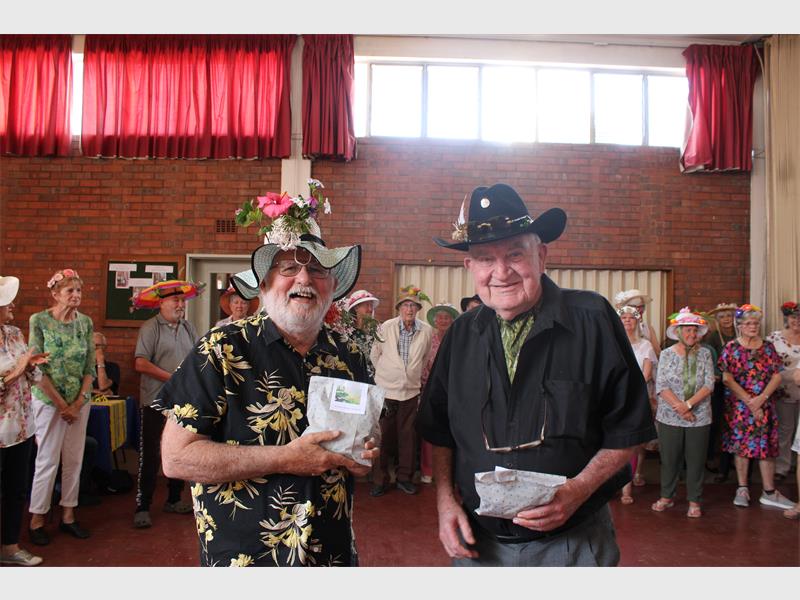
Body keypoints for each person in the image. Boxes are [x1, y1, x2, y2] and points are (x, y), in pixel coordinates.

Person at [419, 183, 655, 567]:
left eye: (515, 253)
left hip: (572, 545)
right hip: (478, 547)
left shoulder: (592, 320)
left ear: (541, 255)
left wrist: (577, 490)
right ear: (469, 267)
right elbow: (440, 431)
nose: (501, 272)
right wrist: (445, 502)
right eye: (484, 258)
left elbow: (628, 431)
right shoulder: (461, 334)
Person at [156, 210, 379, 566]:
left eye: (318, 270)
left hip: (331, 555)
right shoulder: (221, 349)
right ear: (263, 285)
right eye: (288, 268)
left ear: (333, 287)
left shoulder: (351, 355)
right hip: (246, 558)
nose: (304, 278)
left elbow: (365, 435)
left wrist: (366, 450)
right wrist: (286, 458)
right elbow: (176, 458)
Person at [28, 269, 95, 545]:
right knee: (47, 459)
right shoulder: (39, 321)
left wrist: (77, 403)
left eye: (78, 290)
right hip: (48, 401)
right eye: (70, 291)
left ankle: (69, 514)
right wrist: (61, 405)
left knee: (74, 459)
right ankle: (37, 518)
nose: (76, 295)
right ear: (55, 294)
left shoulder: (86, 323)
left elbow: (89, 366)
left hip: (79, 402)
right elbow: (35, 367)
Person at [132, 279, 203, 528]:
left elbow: (197, 359)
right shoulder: (150, 328)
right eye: (176, 300)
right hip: (154, 400)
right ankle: (142, 506)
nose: (181, 304)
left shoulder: (188, 328)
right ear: (162, 303)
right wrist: (173, 378)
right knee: (150, 455)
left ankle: (173, 499)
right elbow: (140, 363)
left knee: (180, 451)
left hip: (181, 402)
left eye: (182, 300)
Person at [719, 304, 793, 510]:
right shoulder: (731, 347)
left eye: (756, 323)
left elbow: (777, 375)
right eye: (749, 323)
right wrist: (750, 401)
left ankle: (769, 492)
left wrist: (761, 398)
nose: (753, 326)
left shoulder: (768, 347)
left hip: (764, 403)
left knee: (766, 447)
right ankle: (742, 488)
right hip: (740, 407)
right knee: (742, 447)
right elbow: (726, 378)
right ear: (740, 326)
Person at [0, 275, 48, 566]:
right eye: (7, 302)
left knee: (17, 489)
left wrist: (31, 368)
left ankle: (10, 547)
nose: (13, 305)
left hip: (21, 426)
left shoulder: (15, 333)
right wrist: (14, 374)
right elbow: (10, 376)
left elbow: (34, 378)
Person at [650, 308, 715, 518]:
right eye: (687, 330)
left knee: (696, 460)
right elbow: (661, 384)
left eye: (695, 331)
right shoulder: (667, 354)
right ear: (678, 332)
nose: (692, 335)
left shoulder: (705, 353)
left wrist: (688, 405)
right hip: (670, 415)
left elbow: (709, 384)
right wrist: (680, 407)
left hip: (699, 415)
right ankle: (666, 496)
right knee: (669, 459)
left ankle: (694, 499)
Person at [370, 285, 433, 497]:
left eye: (413, 306)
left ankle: (404, 478)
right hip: (386, 391)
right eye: (406, 305)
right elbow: (374, 355)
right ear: (399, 308)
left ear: (418, 309)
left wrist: (410, 376)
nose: (409, 309)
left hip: (410, 391)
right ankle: (380, 480)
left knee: (408, 437)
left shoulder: (426, 330)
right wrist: (387, 375)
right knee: (383, 436)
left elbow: (424, 359)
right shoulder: (385, 327)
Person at [616, 305, 657, 504]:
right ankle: (622, 485)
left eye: (631, 318)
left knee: (637, 442)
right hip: (616, 397)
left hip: (639, 396)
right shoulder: (613, 342)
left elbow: (647, 374)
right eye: (623, 318)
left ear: (637, 321)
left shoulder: (646, 345)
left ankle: (636, 473)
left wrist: (631, 392)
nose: (627, 321)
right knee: (621, 442)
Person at [419, 302, 459, 484]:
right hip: (430, 390)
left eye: (447, 318)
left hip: (453, 394)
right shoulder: (428, 339)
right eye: (440, 317)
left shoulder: (458, 340)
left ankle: (449, 473)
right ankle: (427, 470)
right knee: (430, 430)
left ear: (452, 321)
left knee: (451, 433)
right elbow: (421, 364)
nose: (443, 321)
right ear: (434, 321)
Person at [703, 302, 739, 481]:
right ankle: (711, 457)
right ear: (717, 320)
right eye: (723, 316)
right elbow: (712, 361)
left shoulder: (740, 334)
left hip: (740, 385)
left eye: (729, 316)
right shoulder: (714, 337)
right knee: (716, 422)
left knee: (736, 424)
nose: (727, 319)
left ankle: (734, 458)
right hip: (719, 386)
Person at [766, 301, 800, 482]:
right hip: (783, 391)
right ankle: (782, 466)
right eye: (794, 317)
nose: (797, 321)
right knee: (785, 430)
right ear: (787, 317)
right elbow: (765, 364)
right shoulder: (774, 338)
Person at [345, 289, 381, 378]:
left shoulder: (378, 331)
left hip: (376, 380)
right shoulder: (347, 333)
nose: (370, 309)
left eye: (371, 305)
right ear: (356, 308)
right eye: (367, 305)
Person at [614, 289, 661, 357]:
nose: (639, 309)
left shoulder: (648, 328)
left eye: (642, 306)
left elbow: (657, 353)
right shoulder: (615, 328)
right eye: (634, 306)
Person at [92, 332, 120, 396]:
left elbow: (103, 386)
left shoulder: (113, 367)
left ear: (104, 348)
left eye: (97, 345)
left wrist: (100, 361)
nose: (94, 348)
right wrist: (96, 392)